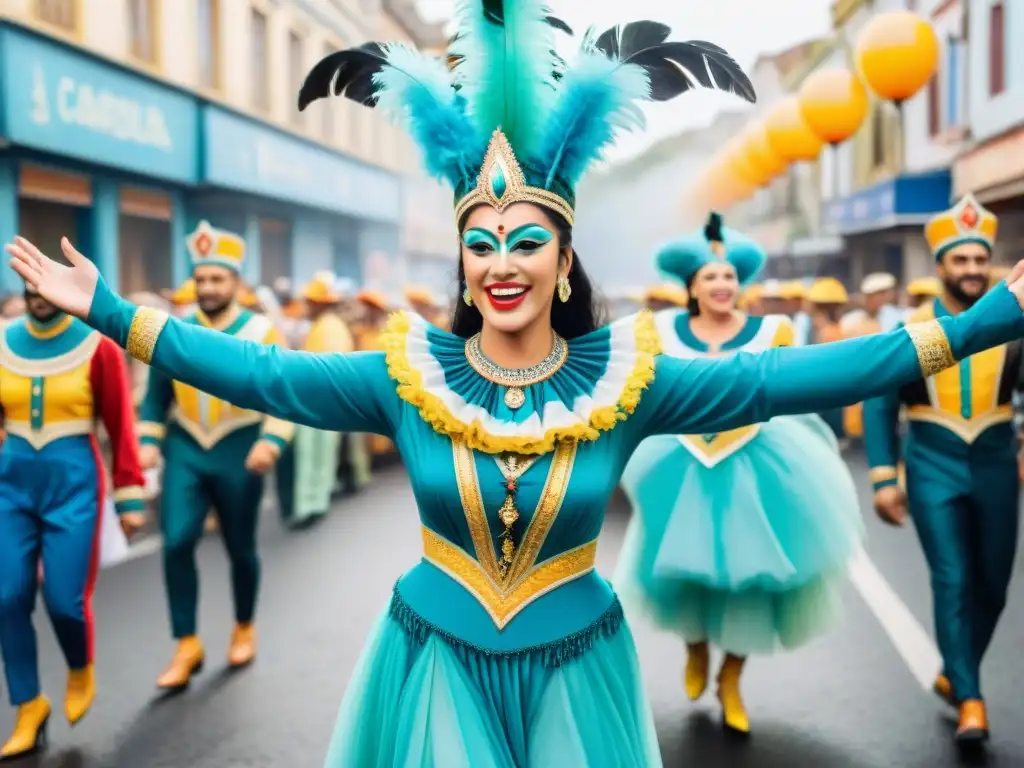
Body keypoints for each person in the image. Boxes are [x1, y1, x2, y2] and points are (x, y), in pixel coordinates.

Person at [7, 8, 1024, 764]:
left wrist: (984, 322)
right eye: (481, 243)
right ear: (460, 259)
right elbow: (265, 373)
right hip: (434, 666)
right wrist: (111, 311)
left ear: (564, 258)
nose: (501, 263)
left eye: (526, 241)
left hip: (575, 677)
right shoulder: (407, 373)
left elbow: (790, 377)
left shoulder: (630, 378)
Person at [614, 214, 863, 734]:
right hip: (680, 463)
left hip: (755, 461)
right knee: (677, 570)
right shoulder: (660, 331)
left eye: (729, 276)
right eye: (710, 277)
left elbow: (795, 388)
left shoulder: (773, 331)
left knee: (749, 581)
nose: (722, 284)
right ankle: (695, 646)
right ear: (691, 287)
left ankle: (731, 676)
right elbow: (643, 392)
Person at [863, 194, 1022, 745]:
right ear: (940, 266)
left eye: (980, 259)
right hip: (932, 463)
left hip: (997, 462)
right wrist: (884, 477)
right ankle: (971, 699)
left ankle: (955, 671)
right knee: (952, 577)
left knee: (994, 584)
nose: (973, 269)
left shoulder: (1014, 323)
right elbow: (880, 401)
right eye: (961, 260)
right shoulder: (912, 327)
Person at [133, 220, 295, 692]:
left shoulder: (262, 330)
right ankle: (186, 643)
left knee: (240, 547)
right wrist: (147, 441)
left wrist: (272, 440)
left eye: (217, 279)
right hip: (186, 446)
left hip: (240, 446)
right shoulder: (175, 330)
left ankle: (244, 625)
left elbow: (285, 394)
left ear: (237, 283)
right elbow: (154, 397)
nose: (207, 287)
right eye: (201, 278)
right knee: (176, 542)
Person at [0, 284, 146, 759]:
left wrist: (129, 494)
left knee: (65, 601)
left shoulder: (96, 344)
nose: (38, 295)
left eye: (46, 285)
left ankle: (80, 667)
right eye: (31, 286)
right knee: (6, 596)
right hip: (11, 484)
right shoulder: (3, 341)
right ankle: (28, 704)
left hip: (74, 484)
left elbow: (120, 424)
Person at [276, 273, 354, 527]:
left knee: (312, 455)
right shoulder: (325, 324)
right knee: (318, 454)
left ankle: (311, 505)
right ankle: (316, 503)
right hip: (323, 399)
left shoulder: (328, 326)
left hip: (319, 399)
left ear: (320, 303)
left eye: (310, 301)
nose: (306, 306)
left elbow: (326, 367)